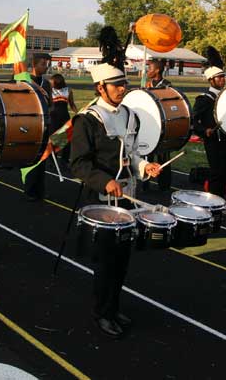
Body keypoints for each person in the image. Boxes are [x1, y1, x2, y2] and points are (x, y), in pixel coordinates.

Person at [70, 26, 161, 338]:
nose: (123, 88)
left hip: (128, 198)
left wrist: (145, 166)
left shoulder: (130, 115)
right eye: (116, 84)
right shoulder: (88, 120)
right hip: (101, 200)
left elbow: (132, 155)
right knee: (106, 262)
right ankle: (102, 312)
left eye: (123, 83)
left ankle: (113, 307)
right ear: (100, 88)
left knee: (122, 260)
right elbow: (78, 164)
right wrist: (105, 181)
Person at [193, 47, 226, 198]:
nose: (222, 80)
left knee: (225, 173)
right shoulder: (203, 99)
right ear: (211, 80)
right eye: (219, 77)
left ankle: (220, 203)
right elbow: (194, 121)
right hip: (213, 141)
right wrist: (204, 131)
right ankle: (213, 205)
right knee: (216, 174)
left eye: (223, 77)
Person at [24, 52, 53, 203]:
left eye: (47, 64)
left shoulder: (47, 83)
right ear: (34, 65)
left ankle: (40, 190)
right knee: (32, 158)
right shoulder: (24, 81)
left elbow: (51, 104)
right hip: (30, 124)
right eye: (43, 64)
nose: (46, 67)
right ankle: (30, 190)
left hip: (44, 124)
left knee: (43, 159)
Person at [145, 58, 173, 191]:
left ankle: (164, 186)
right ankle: (145, 183)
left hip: (163, 126)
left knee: (163, 156)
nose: (147, 71)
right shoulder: (148, 84)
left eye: (149, 69)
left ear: (157, 70)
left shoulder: (167, 85)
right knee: (147, 155)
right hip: (150, 125)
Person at [50, 73, 77, 161]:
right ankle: (52, 159)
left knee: (66, 139)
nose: (51, 82)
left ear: (58, 82)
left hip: (64, 117)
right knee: (53, 138)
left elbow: (72, 104)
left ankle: (65, 159)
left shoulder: (68, 90)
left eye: (52, 81)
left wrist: (78, 114)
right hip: (53, 117)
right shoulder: (50, 90)